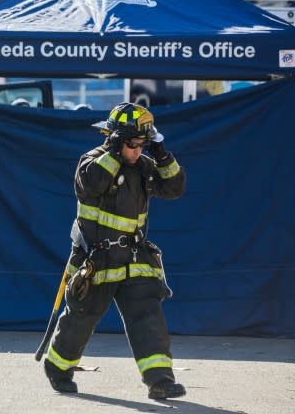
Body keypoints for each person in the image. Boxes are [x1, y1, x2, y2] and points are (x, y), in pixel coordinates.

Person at [42, 102, 187, 400]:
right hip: (97, 259)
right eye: (132, 144)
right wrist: (114, 151)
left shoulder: (145, 166)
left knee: (147, 317)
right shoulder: (92, 163)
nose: (138, 151)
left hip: (135, 260)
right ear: (115, 139)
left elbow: (174, 189)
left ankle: (159, 379)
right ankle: (58, 367)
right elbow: (92, 184)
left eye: (142, 145)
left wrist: (161, 154)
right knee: (82, 317)